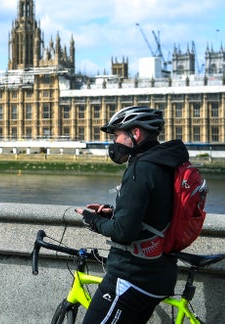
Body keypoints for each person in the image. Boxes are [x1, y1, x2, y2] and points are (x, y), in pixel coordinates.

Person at [74, 106, 189, 323]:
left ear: (135, 134)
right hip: (158, 276)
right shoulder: (166, 164)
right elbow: (154, 213)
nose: (114, 143)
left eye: (117, 135)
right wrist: (115, 213)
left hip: (131, 277)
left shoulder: (141, 168)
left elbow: (123, 232)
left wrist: (93, 220)